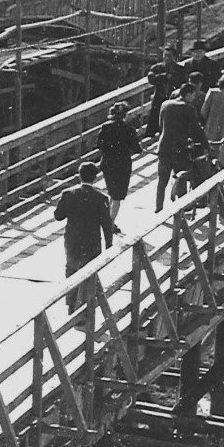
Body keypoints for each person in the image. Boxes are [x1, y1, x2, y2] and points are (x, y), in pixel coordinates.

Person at [54, 161, 116, 311]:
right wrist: (109, 245)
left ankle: (71, 306)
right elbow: (107, 225)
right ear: (95, 177)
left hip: (72, 241)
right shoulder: (101, 198)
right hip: (92, 242)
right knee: (90, 275)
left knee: (71, 271)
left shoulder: (68, 194)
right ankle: (86, 309)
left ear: (79, 176)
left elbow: (58, 216)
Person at [156, 82, 208, 210]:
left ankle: (158, 208)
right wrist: (205, 144)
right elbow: (196, 129)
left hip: (164, 147)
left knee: (162, 181)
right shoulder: (189, 108)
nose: (194, 98)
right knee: (182, 177)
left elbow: (161, 126)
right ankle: (183, 208)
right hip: (180, 148)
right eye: (194, 95)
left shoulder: (165, 104)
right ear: (188, 94)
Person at [96, 101, 142, 222]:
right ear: (125, 114)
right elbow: (137, 149)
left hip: (107, 163)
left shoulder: (105, 127)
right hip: (122, 165)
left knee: (111, 193)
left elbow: (99, 145)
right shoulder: (129, 129)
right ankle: (110, 224)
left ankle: (108, 220)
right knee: (117, 197)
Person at [145, 46, 188, 137]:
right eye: (165, 56)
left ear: (175, 57)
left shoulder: (181, 70)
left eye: (169, 56)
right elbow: (151, 78)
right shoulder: (157, 68)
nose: (167, 58)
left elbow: (184, 84)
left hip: (173, 99)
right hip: (159, 99)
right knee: (154, 121)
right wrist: (165, 76)